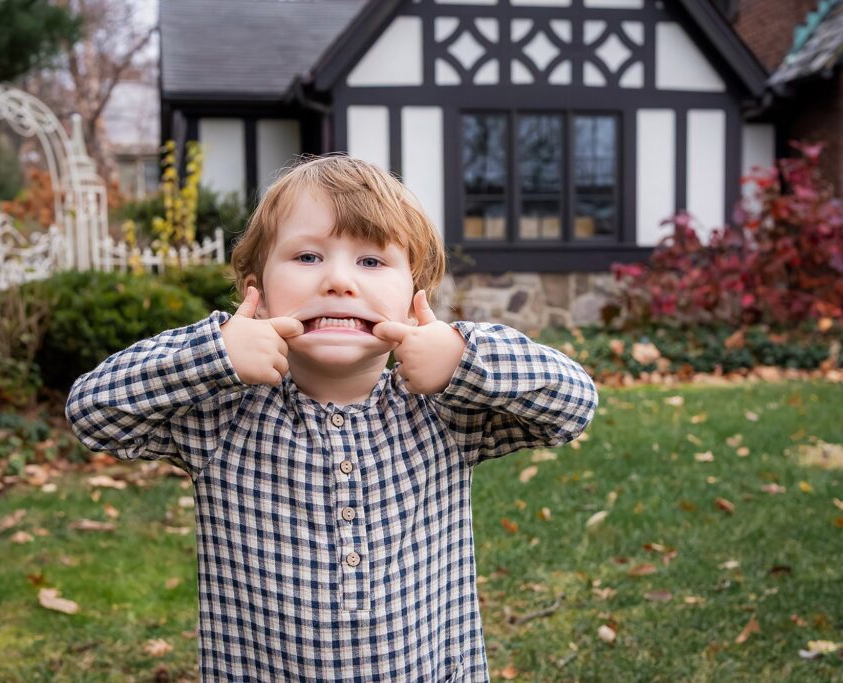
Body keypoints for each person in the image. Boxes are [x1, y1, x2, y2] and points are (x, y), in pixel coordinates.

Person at [65, 154, 598, 681]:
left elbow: (572, 405)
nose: (339, 281)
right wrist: (214, 352)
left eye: (371, 262)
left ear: (417, 292)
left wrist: (466, 357)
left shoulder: (445, 410)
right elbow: (94, 412)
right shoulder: (223, 414)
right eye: (307, 257)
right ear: (258, 287)